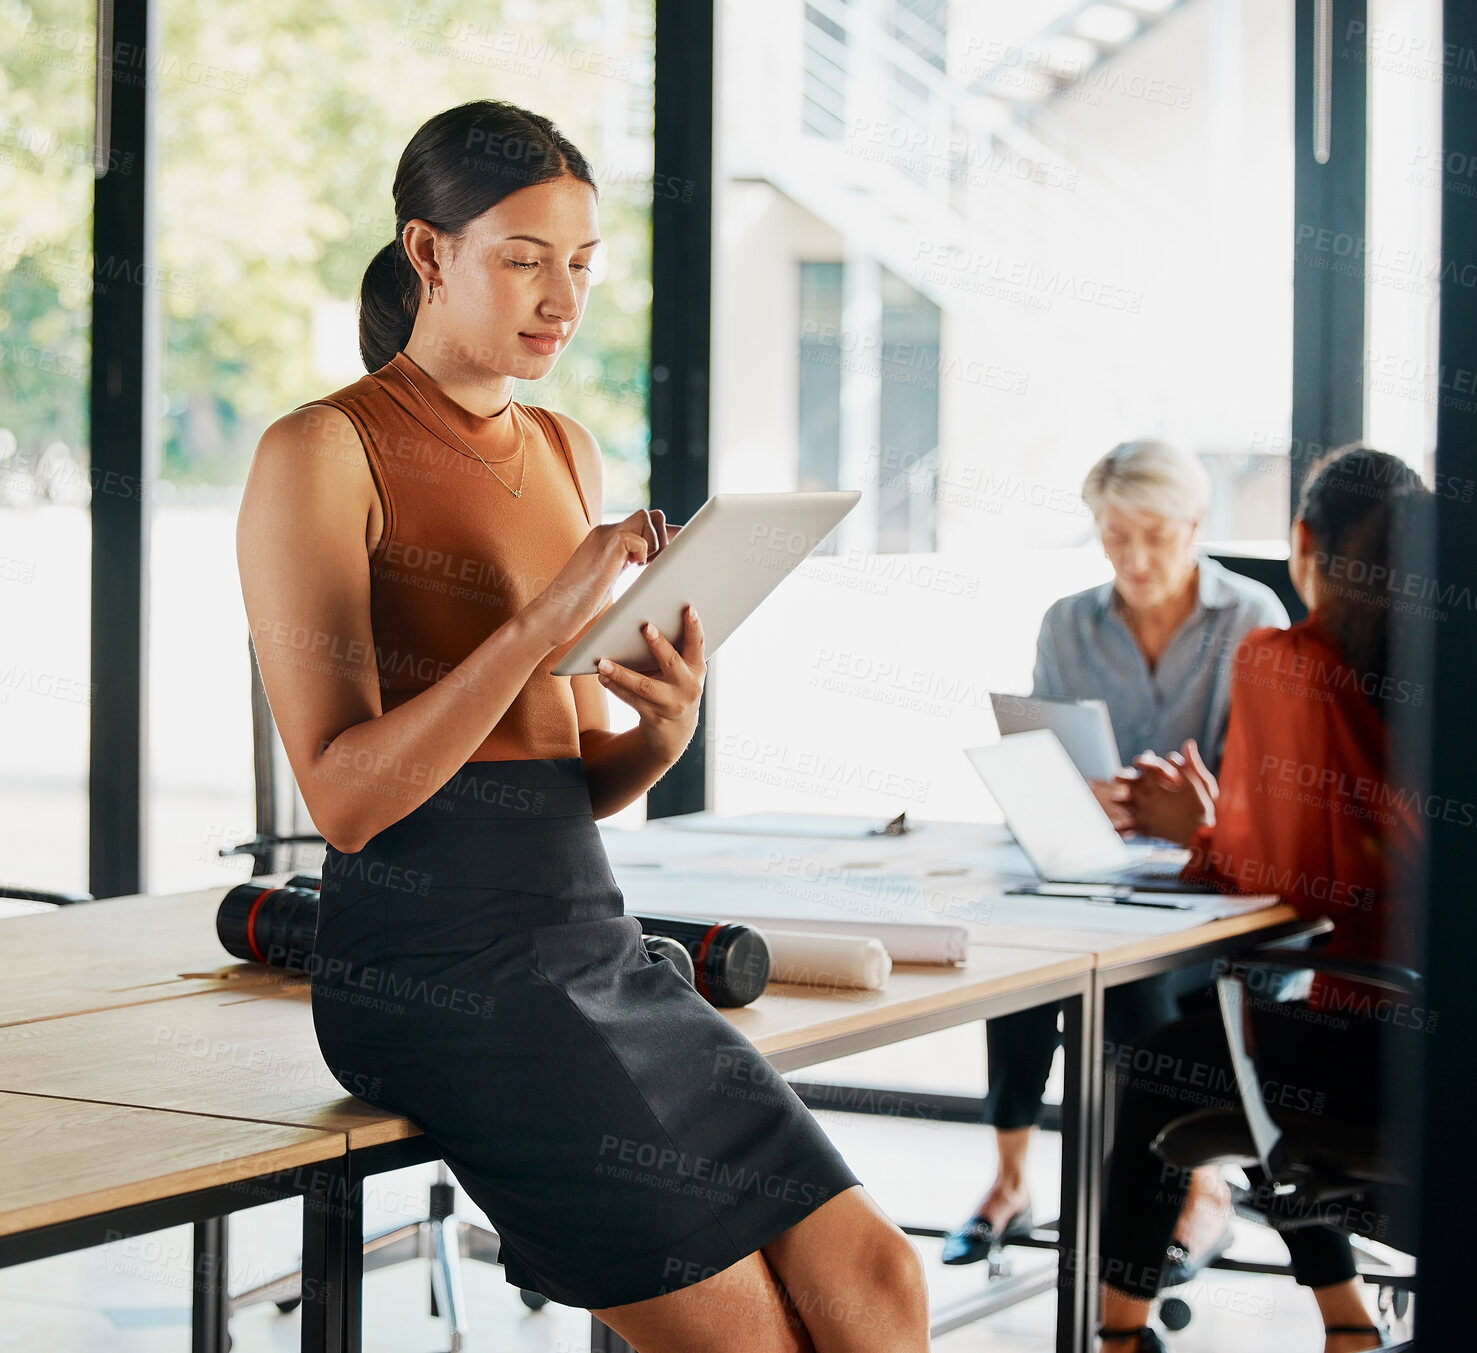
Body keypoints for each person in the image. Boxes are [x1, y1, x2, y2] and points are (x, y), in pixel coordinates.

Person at [236, 100, 928, 1353]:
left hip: (588, 941)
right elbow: (342, 798)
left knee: (878, 1286)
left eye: (581, 265)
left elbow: (553, 776)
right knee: (755, 1339)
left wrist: (658, 737)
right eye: (521, 259)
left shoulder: (560, 444)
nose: (561, 298)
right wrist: (541, 616)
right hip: (430, 971)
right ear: (428, 253)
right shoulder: (321, 452)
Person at [1094, 445, 1428, 1353]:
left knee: (1171, 1060)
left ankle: (1116, 1335)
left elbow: (1266, 870)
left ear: (1302, 541)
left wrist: (1196, 825)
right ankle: (1346, 1321)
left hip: (1384, 1053)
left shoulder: (1291, 661)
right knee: (1244, 1037)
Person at [945, 440, 1288, 1276]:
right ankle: (1011, 1178)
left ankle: (1196, 1186)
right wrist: (1073, 794)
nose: (1133, 559)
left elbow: (1265, 804)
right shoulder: (1069, 621)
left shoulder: (1252, 621)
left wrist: (1187, 819)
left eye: (1154, 536)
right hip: (1092, 866)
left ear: (1196, 526)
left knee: (1142, 989)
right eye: (1112, 536)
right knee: (1019, 961)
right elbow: (1046, 765)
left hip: (1208, 882)